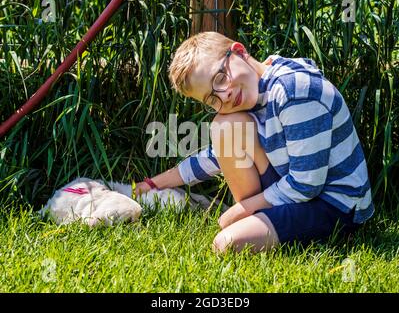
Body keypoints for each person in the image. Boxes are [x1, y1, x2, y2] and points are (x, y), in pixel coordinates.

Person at [135, 31, 374, 254]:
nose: (223, 95)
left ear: (239, 51)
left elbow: (307, 184)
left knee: (225, 244)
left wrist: (242, 208)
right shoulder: (255, 93)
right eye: (211, 98)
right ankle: (258, 218)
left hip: (334, 205)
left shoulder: (294, 92)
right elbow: (217, 155)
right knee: (225, 126)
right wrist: (153, 184)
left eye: (220, 78)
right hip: (294, 188)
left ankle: (266, 220)